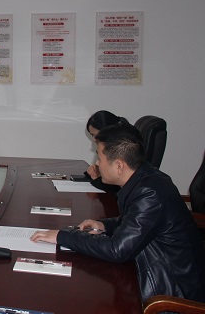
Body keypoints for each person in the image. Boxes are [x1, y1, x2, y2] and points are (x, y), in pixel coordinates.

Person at [31, 123, 205, 303]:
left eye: (99, 158)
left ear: (119, 166)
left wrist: (63, 236)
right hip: (159, 273)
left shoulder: (149, 193)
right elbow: (138, 222)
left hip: (174, 296)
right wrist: (105, 224)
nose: (96, 164)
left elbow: (117, 250)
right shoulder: (147, 179)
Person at [84, 110, 129, 193]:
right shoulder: (108, 145)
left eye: (96, 135)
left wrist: (97, 179)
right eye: (92, 135)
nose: (94, 139)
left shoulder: (121, 148)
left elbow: (115, 188)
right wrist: (96, 170)